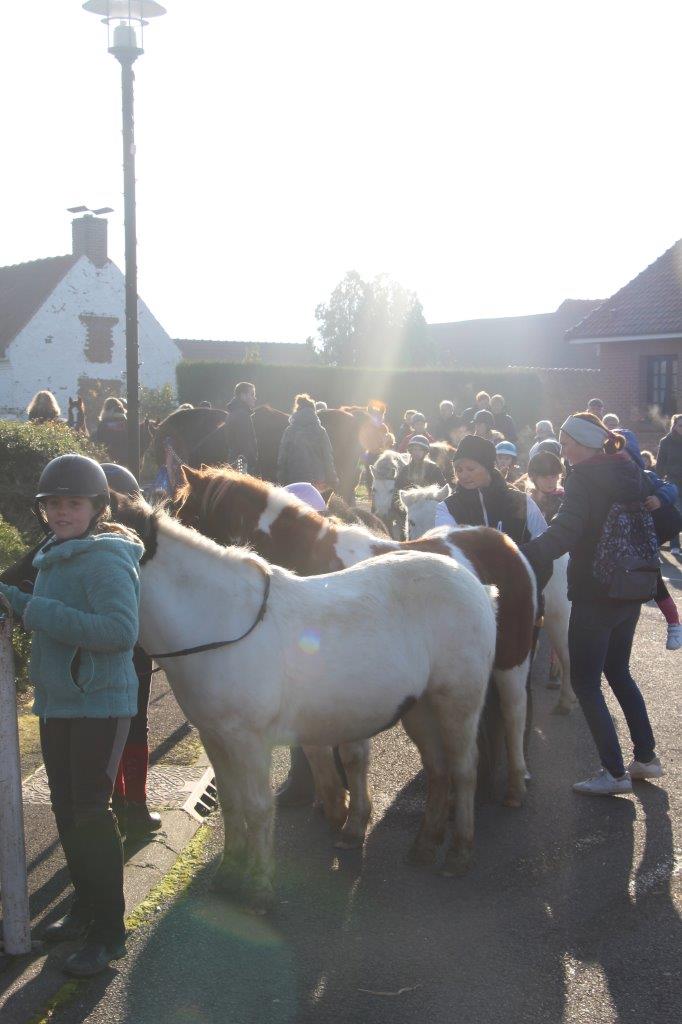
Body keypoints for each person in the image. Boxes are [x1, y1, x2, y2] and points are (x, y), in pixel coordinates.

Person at [0, 455, 142, 977]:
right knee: (66, 811)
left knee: (88, 813)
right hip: (60, 703)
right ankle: (85, 908)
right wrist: (11, 597)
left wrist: (30, 609)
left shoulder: (106, 559)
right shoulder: (52, 553)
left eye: (73, 503)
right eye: (52, 504)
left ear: (97, 508)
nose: (61, 512)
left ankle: (109, 933)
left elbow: (119, 632)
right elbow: (29, 600)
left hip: (100, 705)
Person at [520, 412, 663, 795]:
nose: (563, 453)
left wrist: (523, 554)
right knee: (619, 671)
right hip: (632, 586)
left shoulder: (584, 477)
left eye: (567, 445)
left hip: (597, 590)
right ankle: (646, 758)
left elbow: (566, 531)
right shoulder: (629, 469)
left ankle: (614, 772)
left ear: (585, 444)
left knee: (585, 680)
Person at [101, 464, 162, 832]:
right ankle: (134, 805)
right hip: (136, 643)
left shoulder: (76, 540)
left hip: (99, 646)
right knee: (134, 723)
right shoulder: (143, 542)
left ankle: (118, 802)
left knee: (109, 726)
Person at [616, 430, 682, 651]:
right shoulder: (607, 478)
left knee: (652, 575)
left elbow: (671, 487)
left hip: (656, 530)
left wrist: (659, 499)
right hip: (631, 538)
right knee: (647, 577)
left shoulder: (646, 476)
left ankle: (674, 623)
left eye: (623, 453)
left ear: (633, 456)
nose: (618, 458)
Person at [434, 434, 546, 542]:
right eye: (459, 470)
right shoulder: (448, 508)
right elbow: (447, 549)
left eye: (471, 469)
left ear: (488, 468)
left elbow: (541, 543)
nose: (463, 475)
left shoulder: (521, 502)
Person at [277, 393, 339, 489]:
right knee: (314, 504)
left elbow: (282, 458)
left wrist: (282, 479)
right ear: (314, 411)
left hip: (294, 480)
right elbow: (327, 457)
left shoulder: (290, 431)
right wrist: (332, 479)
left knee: (296, 504)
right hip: (317, 481)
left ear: (297, 411)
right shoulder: (320, 431)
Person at [655, 413, 682, 555]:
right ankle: (674, 545)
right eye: (680, 425)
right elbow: (660, 464)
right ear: (675, 426)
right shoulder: (666, 441)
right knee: (677, 513)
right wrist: (657, 481)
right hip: (674, 481)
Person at [224, 381, 258, 473]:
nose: (255, 398)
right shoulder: (242, 415)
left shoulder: (233, 413)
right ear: (243, 396)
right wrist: (253, 463)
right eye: (252, 394)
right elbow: (245, 443)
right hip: (243, 463)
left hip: (235, 460)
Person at [523, 450, 564, 521]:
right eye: (544, 477)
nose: (550, 481)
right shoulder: (525, 502)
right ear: (533, 478)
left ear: (558, 477)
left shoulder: (565, 501)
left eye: (553, 476)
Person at [94, 397, 128, 465]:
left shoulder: (103, 424)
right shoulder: (127, 423)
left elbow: (98, 440)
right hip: (125, 459)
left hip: (107, 460)